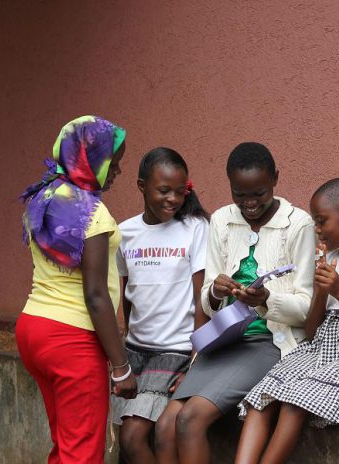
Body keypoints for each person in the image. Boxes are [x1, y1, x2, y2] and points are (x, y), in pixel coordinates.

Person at [154, 142, 316, 464]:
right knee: (164, 426)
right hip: (226, 336)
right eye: (239, 194)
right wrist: (216, 291)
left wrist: (267, 298)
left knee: (189, 420)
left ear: (275, 180)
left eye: (258, 193)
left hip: (271, 342)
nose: (250, 203)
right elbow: (208, 302)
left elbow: (308, 308)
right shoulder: (223, 221)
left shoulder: (298, 224)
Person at [236, 177, 339, 464]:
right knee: (263, 394)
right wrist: (323, 293)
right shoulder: (329, 261)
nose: (318, 230)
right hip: (322, 348)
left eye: (322, 221)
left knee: (294, 400)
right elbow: (312, 331)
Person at [16, 116, 137, 464]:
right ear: (89, 158)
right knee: (81, 454)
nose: (118, 171)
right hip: (73, 340)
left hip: (34, 330)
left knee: (66, 446)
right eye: (113, 163)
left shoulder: (42, 197)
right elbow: (95, 295)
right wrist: (121, 366)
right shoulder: (91, 212)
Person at [112, 147, 210, 464]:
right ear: (141, 186)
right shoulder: (124, 233)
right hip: (135, 352)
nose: (172, 199)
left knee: (132, 436)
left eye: (179, 192)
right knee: (125, 443)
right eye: (163, 190)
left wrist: (197, 358)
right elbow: (125, 293)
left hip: (175, 352)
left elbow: (202, 298)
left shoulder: (194, 228)